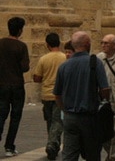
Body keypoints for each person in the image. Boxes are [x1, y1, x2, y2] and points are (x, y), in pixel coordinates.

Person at [54, 31, 110, 161]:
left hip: (70, 117)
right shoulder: (95, 62)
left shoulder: (63, 66)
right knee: (92, 154)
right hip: (89, 117)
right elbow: (104, 89)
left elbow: (57, 94)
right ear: (88, 44)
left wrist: (64, 109)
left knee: (69, 154)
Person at [33, 32, 66, 160]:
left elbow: (37, 77)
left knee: (50, 121)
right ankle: (53, 144)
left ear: (47, 44)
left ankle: (52, 144)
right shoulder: (64, 58)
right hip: (60, 95)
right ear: (59, 43)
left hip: (46, 94)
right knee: (58, 121)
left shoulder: (43, 59)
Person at [0, 17, 29, 158]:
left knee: (1, 115)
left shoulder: (1, 43)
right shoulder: (21, 46)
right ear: (19, 30)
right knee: (15, 117)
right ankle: (9, 146)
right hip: (17, 85)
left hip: (2, 85)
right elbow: (25, 67)